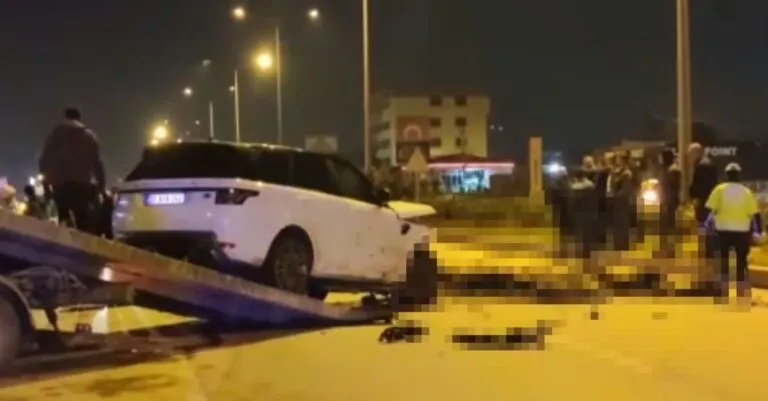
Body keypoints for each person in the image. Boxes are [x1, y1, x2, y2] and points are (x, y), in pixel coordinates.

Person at [39, 107, 106, 234]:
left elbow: (44, 160)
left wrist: (46, 184)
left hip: (60, 185)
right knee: (83, 222)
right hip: (81, 185)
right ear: (79, 118)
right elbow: (97, 162)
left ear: (66, 116)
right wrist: (101, 186)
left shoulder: (55, 135)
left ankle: (64, 238)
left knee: (63, 219)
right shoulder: (89, 136)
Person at [704, 163, 763, 301]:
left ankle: (721, 293)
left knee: (723, 262)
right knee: (741, 263)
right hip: (742, 232)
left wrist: (704, 225)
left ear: (726, 175)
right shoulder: (746, 192)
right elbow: (755, 214)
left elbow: (709, 209)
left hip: (722, 231)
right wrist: (759, 231)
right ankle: (742, 294)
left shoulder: (719, 189)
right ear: (738, 175)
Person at [689, 143, 718, 225]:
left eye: (690, 155)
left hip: (704, 203)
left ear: (696, 153)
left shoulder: (702, 166)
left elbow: (702, 186)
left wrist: (696, 197)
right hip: (709, 202)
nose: (689, 158)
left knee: (702, 225)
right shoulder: (706, 164)